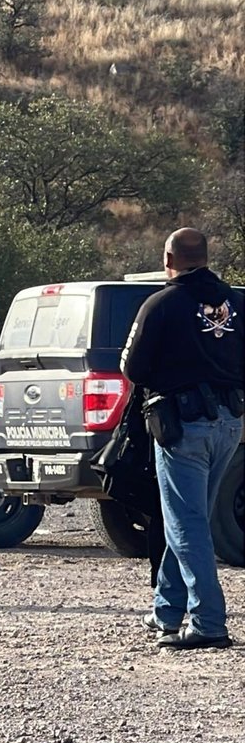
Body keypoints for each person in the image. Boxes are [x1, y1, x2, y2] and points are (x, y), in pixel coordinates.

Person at [121, 227, 244, 650]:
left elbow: (132, 368)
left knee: (185, 523)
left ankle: (209, 622)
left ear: (168, 259)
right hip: (229, 424)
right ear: (206, 257)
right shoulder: (237, 303)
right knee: (190, 518)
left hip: (183, 425)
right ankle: (167, 611)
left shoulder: (160, 304)